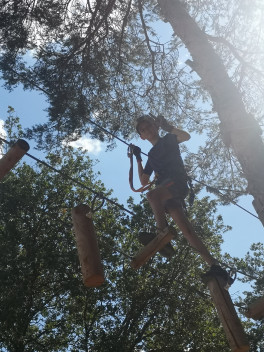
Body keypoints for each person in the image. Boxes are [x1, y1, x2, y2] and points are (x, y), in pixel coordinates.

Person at [133, 114, 234, 287]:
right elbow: (144, 181)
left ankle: (162, 234)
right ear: (142, 136)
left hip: (176, 182)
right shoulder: (150, 155)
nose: (147, 130)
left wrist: (168, 126)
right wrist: (138, 158)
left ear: (155, 126)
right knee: (187, 231)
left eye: (149, 125)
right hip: (166, 190)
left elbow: (185, 136)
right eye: (143, 130)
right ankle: (216, 267)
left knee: (152, 196)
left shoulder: (168, 140)